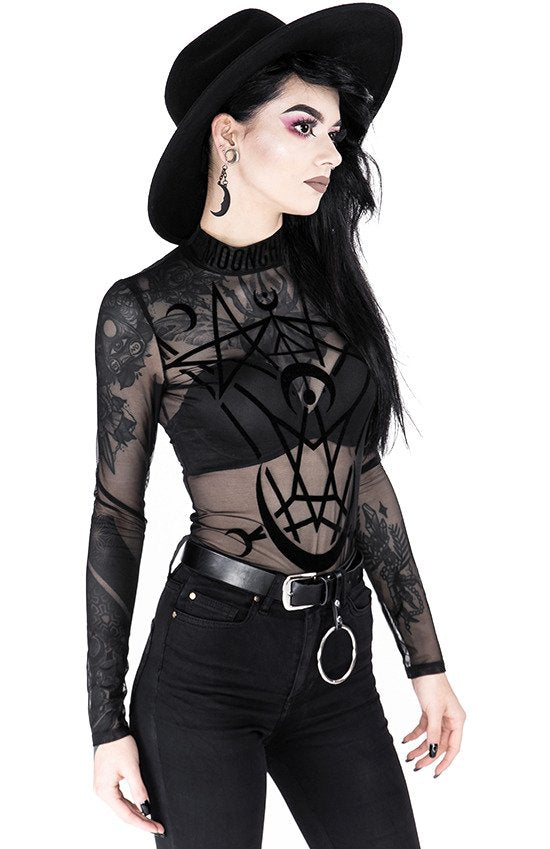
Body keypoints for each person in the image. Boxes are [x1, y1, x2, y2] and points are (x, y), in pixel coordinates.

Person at [86, 6, 466, 848]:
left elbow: (363, 475)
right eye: (303, 125)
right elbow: (117, 513)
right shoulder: (142, 310)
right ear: (228, 135)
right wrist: (105, 722)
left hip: (337, 654)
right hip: (207, 662)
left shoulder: (332, 286)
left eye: (335, 132)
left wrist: (427, 663)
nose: (332, 153)